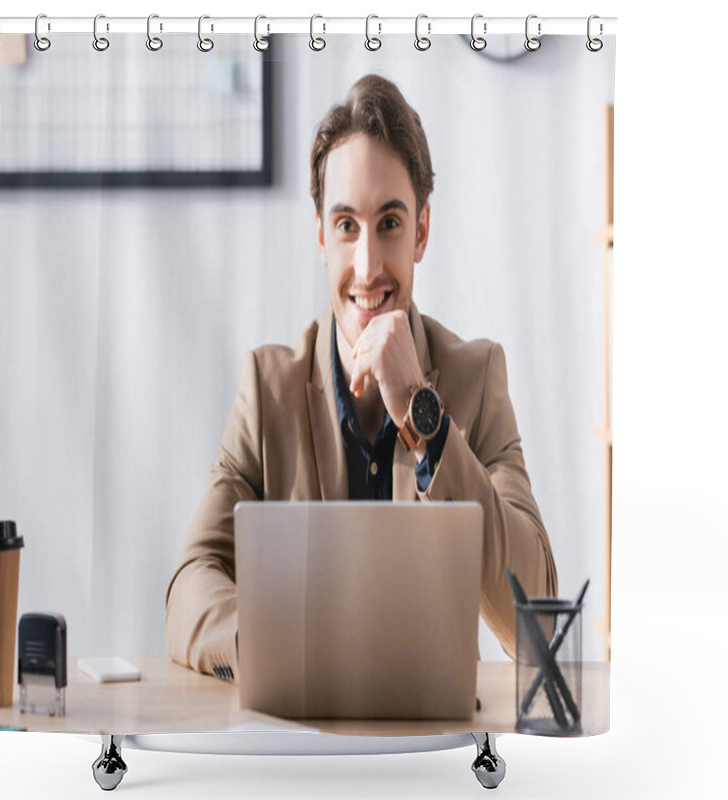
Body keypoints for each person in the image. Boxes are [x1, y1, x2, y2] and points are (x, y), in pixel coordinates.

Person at [165, 74, 557, 681]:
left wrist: (423, 415)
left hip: (431, 753)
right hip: (300, 749)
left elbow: (537, 624)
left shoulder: (475, 378)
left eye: (390, 223)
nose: (368, 266)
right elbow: (190, 586)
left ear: (421, 231)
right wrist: (274, 643)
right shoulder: (268, 388)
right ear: (322, 238)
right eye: (347, 225)